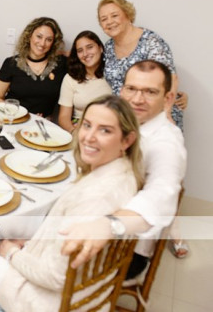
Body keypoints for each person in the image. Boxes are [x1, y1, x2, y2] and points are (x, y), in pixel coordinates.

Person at [0, 95, 143, 312]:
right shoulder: (127, 176)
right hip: (90, 290)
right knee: (2, 237)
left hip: (48, 300)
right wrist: (31, 241)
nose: (89, 137)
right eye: (87, 125)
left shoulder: (95, 198)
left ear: (127, 140)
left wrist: (12, 253)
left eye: (105, 130)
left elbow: (54, 276)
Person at [61, 60, 187, 274]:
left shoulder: (166, 142)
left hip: (122, 251)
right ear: (122, 90)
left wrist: (109, 225)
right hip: (88, 217)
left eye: (150, 92)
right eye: (131, 89)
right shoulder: (126, 125)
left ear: (167, 98)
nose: (137, 99)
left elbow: (161, 195)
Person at [97, 0, 187, 129]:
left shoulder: (151, 41)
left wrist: (166, 113)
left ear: (128, 15)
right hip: (126, 118)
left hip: (155, 117)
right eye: (104, 19)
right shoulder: (109, 47)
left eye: (114, 15)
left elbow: (171, 78)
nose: (109, 22)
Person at [0, 17, 67, 118]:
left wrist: (66, 53)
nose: (42, 43)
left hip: (43, 124)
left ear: (53, 43)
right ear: (29, 36)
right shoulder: (11, 63)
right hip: (14, 119)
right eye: (39, 36)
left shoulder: (61, 64)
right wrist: (22, 115)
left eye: (49, 40)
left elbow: (80, 55)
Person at [58, 31, 112, 132]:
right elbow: (63, 117)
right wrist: (74, 133)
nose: (85, 54)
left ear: (100, 48)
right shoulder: (70, 78)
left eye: (90, 47)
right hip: (78, 128)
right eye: (80, 50)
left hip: (107, 128)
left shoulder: (113, 75)